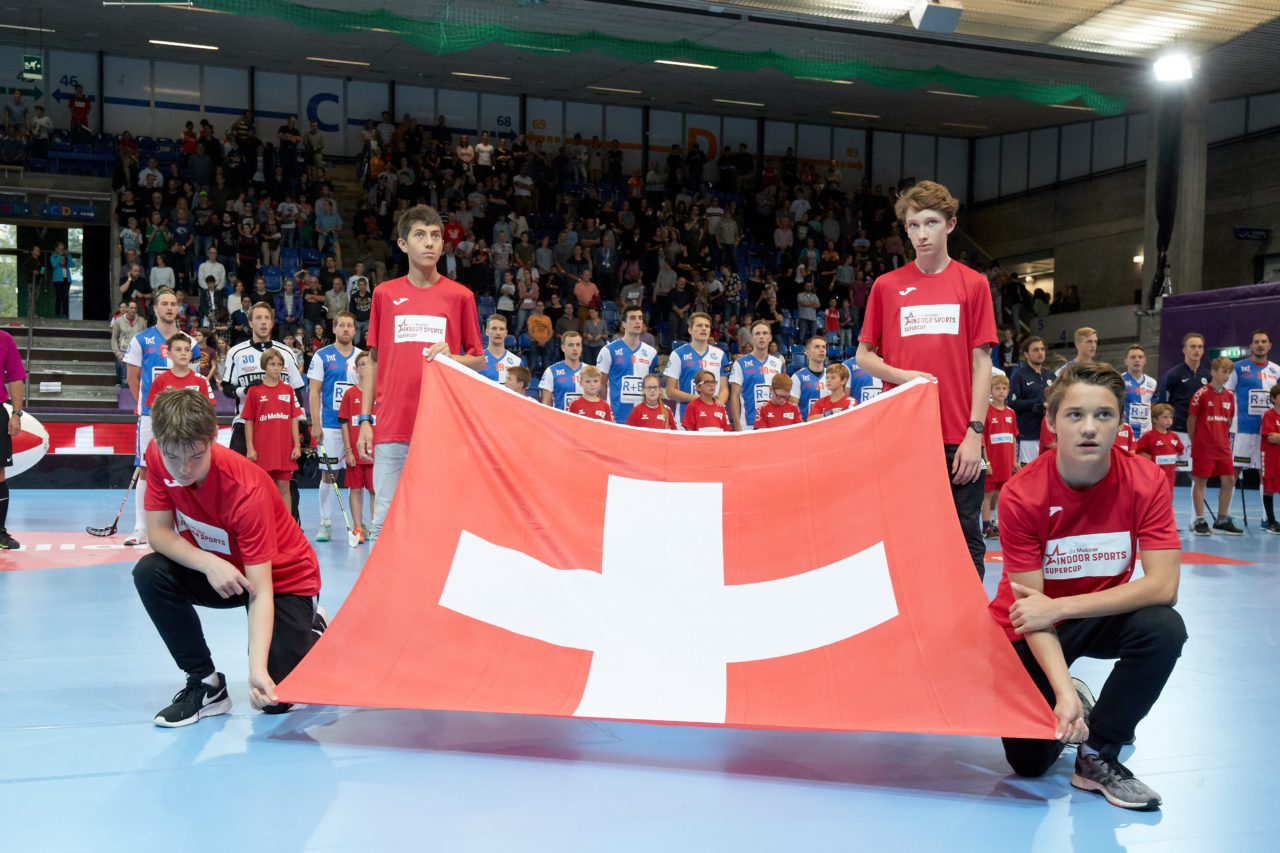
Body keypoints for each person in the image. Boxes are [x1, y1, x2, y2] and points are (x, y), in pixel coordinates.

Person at [990, 362, 1185, 811]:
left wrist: (1063, 607)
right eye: (1075, 415)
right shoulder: (1022, 494)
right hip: (1029, 629)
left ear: (1120, 421)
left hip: (1083, 614)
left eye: (1104, 415)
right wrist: (1061, 692)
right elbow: (1030, 612)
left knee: (1163, 627)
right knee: (1029, 763)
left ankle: (1099, 754)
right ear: (1053, 420)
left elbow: (1163, 586)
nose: (1090, 428)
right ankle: (1076, 692)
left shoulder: (1146, 480)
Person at [132, 388, 326, 726]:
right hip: (223, 572)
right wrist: (210, 563)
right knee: (149, 573)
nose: (184, 468)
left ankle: (313, 631)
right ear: (159, 443)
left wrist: (257, 672)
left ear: (212, 440)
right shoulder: (158, 454)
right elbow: (159, 533)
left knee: (274, 700)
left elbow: (261, 589)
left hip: (282, 579)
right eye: (173, 456)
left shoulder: (245, 490)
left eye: (195, 455)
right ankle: (206, 685)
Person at [856, 180, 997, 579]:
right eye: (912, 225)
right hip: (903, 435)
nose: (920, 234)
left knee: (966, 536)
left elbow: (982, 363)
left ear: (950, 225)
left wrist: (975, 432)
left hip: (958, 436)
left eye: (930, 223)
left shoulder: (973, 284)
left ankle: (967, 632)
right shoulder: (886, 287)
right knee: (904, 535)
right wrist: (905, 377)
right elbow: (864, 356)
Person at [356, 206, 485, 544]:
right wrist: (365, 420)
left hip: (441, 427)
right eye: (420, 235)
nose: (430, 243)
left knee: (439, 523)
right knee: (383, 524)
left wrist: (452, 356)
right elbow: (373, 361)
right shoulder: (384, 294)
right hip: (391, 426)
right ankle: (380, 598)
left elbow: (480, 360)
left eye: (435, 236)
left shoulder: (461, 296)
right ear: (402, 244)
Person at [124, 288, 200, 546]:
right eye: (164, 304)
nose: (169, 308)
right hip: (150, 417)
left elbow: (196, 380)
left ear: (178, 309)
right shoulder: (141, 340)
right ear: (155, 309)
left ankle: (184, 527)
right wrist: (148, 407)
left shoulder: (190, 343)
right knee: (145, 468)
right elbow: (133, 379)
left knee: (184, 468)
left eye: (173, 304)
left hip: (182, 420)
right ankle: (140, 528)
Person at [221, 302, 307, 522]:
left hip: (280, 427)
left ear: (272, 322)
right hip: (245, 424)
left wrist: (303, 429)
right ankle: (245, 525)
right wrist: (246, 390)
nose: (262, 322)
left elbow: (296, 392)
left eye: (266, 318)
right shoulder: (236, 352)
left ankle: (291, 525)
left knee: (286, 479)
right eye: (258, 318)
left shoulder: (286, 352)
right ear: (250, 323)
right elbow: (227, 388)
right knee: (240, 481)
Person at [306, 311, 361, 542]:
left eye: (350, 325)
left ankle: (361, 525)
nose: (346, 329)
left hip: (356, 425)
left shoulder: (363, 357)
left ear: (355, 330)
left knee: (358, 476)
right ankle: (325, 522)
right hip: (329, 425)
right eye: (342, 325)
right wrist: (315, 425)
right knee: (329, 474)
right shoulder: (322, 355)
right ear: (335, 329)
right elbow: (314, 392)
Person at [243, 348, 304, 515]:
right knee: (263, 489)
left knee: (284, 487)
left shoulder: (288, 389)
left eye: (279, 364)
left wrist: (297, 445)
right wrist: (250, 448)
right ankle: (266, 525)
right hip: (262, 450)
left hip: (284, 449)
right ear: (264, 365)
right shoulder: (254, 391)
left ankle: (287, 527)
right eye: (272, 364)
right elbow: (248, 420)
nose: (276, 368)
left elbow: (294, 419)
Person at [1187, 357, 1241, 536]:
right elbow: (1191, 420)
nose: (1226, 376)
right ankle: (1200, 520)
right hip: (1204, 446)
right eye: (1223, 371)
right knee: (1201, 482)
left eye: (1229, 372)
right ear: (1213, 372)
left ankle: (1222, 520)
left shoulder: (1230, 396)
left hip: (1223, 447)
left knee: (1229, 481)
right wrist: (1196, 442)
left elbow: (1229, 421)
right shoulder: (1201, 393)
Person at [1223, 329, 1279, 484]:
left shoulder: (1277, 371)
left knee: (1266, 473)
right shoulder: (1238, 368)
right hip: (1241, 431)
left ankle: (1266, 510)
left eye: (1263, 342)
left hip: (1267, 432)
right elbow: (1226, 396)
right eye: (1256, 342)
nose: (1260, 345)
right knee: (1233, 472)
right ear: (1251, 346)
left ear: (1269, 346)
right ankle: (1224, 509)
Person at [1157, 332, 1210, 477]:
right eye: (1193, 346)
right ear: (1184, 350)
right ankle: (1163, 500)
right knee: (1168, 473)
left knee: (1198, 474)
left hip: (1199, 433)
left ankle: (1196, 501)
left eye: (1200, 347)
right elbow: (1162, 404)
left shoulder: (1208, 376)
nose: (1197, 350)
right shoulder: (1173, 374)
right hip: (1177, 431)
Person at [663, 312, 729, 426]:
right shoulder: (678, 354)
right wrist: (700, 399)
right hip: (686, 418)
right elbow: (670, 391)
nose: (704, 328)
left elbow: (724, 389)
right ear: (690, 330)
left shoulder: (720, 355)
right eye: (699, 325)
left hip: (714, 417)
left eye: (707, 326)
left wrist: (717, 403)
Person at [596, 305, 658, 424]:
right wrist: (605, 411)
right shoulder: (608, 350)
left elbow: (654, 387)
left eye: (640, 318)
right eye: (633, 318)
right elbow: (601, 385)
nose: (638, 321)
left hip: (644, 418)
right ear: (623, 323)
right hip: (616, 417)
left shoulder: (651, 353)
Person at [338, 352, 375, 542]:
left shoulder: (380, 393)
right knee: (355, 490)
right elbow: (344, 423)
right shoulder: (349, 395)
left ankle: (376, 528)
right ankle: (358, 528)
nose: (364, 367)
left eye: (368, 364)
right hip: (355, 454)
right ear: (356, 369)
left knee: (375, 491)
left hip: (375, 455)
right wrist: (348, 451)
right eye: (361, 364)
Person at [728, 320, 786, 431]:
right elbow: (734, 397)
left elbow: (783, 395)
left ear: (770, 338)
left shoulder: (778, 363)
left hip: (774, 423)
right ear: (752, 338)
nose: (761, 337)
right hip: (749, 424)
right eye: (757, 334)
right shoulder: (740, 363)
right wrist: (738, 426)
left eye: (765, 333)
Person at [981, 373, 1018, 539]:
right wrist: (986, 463)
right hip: (992, 463)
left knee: (1000, 494)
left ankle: (995, 523)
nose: (1001, 391)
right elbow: (982, 440)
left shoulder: (1011, 413)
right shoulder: (986, 412)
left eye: (1004, 388)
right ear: (990, 391)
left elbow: (1013, 437)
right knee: (988, 494)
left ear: (1008, 391)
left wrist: (1015, 460)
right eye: (997, 388)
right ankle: (986, 527)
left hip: (1006, 463)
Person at [0, 328, 28, 549]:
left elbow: (16, 377)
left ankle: (0, 532)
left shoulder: (5, 339)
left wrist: (16, 414)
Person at [1008, 335, 1053, 469]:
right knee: (1030, 473)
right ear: (1026, 354)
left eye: (1042, 349)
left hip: (1051, 437)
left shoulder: (1051, 375)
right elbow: (1012, 404)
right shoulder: (1019, 375)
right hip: (1028, 435)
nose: (1040, 353)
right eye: (1035, 350)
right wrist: (1038, 404)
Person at [144, 335, 216, 414]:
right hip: (168, 425)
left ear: (191, 355)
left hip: (194, 425)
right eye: (178, 350)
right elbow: (154, 411)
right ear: (168, 354)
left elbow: (209, 412)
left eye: (187, 350)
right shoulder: (160, 380)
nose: (183, 353)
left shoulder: (202, 380)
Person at [1134, 403, 1182, 499]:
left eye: (1171, 417)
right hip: (1153, 475)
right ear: (1155, 420)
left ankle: (1167, 514)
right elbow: (1138, 450)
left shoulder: (1174, 436)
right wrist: (1152, 459)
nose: (1169, 420)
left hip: (1170, 476)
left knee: (1168, 497)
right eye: (1165, 417)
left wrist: (1170, 459)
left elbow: (1179, 450)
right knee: (1154, 497)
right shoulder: (1149, 436)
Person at [539, 330, 585, 411]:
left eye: (578, 345)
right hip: (561, 421)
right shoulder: (551, 371)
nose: (575, 348)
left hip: (585, 421)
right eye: (571, 345)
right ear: (563, 348)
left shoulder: (590, 371)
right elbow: (545, 404)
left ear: (581, 347)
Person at [1122, 344, 1158, 439]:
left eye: (1140, 357)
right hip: (1125, 433)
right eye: (1133, 357)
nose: (1137, 360)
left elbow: (1153, 408)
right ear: (1126, 361)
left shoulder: (1153, 383)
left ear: (1144, 361)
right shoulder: (1119, 380)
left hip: (1146, 434)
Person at [789, 336, 829, 419]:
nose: (822, 350)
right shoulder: (797, 377)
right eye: (817, 347)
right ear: (807, 353)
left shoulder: (832, 375)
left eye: (823, 347)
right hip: (806, 428)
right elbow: (792, 409)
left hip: (829, 427)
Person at [480, 313, 524, 385]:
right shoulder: (477, 360)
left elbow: (520, 392)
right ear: (487, 331)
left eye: (501, 329)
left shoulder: (517, 362)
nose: (498, 333)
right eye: (494, 328)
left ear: (506, 333)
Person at [111, 301, 147, 387]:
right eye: (131, 308)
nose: (133, 310)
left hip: (137, 354)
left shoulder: (142, 321)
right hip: (124, 352)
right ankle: (124, 399)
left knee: (136, 380)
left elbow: (146, 338)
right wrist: (118, 353)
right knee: (125, 380)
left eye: (135, 308)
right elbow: (114, 338)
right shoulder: (119, 320)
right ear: (127, 308)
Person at [1261, 385, 1280, 534]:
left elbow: (1277, 437)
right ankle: (1271, 521)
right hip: (1271, 457)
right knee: (1269, 488)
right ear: (1273, 399)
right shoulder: (1269, 415)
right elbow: (1271, 437)